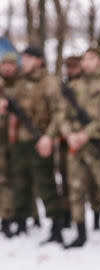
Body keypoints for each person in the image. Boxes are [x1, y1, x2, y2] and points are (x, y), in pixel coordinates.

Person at [60, 46, 100, 249]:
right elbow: (62, 115)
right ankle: (80, 234)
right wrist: (69, 134)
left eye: (91, 58)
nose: (86, 62)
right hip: (76, 149)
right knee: (76, 191)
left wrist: (86, 133)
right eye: (84, 59)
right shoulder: (74, 86)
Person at [1, 47, 65, 243]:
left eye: (28, 58)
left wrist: (49, 137)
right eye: (23, 58)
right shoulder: (20, 82)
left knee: (45, 183)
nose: (24, 62)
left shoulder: (49, 82)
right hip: (20, 141)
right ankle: (20, 222)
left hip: (40, 140)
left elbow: (60, 112)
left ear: (39, 61)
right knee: (20, 182)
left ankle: (56, 228)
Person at [58, 56, 100, 230]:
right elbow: (61, 115)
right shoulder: (67, 87)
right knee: (69, 182)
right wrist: (69, 134)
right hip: (68, 142)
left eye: (74, 66)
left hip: (93, 140)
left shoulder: (90, 86)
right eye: (68, 66)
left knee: (94, 185)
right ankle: (70, 217)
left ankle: (96, 217)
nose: (71, 70)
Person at [0, 52, 19, 238]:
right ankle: (6, 217)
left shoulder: (21, 85)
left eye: (11, 64)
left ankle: (13, 217)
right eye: (4, 64)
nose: (7, 67)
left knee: (14, 179)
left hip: (16, 139)